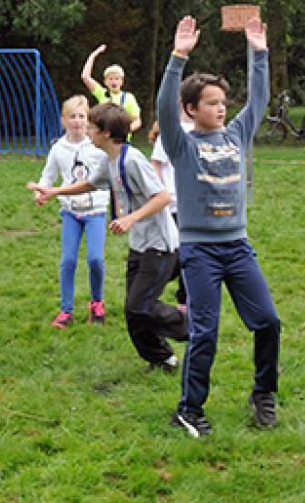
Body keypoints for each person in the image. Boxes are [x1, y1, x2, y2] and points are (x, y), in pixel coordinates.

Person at [157, 15, 281, 438]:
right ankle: (189, 408)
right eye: (211, 102)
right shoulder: (181, 144)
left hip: (238, 247)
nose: (221, 107)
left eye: (222, 101)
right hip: (200, 251)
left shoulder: (236, 135)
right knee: (205, 332)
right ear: (191, 109)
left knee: (268, 322)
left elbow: (259, 100)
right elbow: (163, 110)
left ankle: (264, 393)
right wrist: (178, 57)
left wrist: (259, 52)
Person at [30, 103, 188, 368]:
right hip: (140, 244)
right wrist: (54, 192)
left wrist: (129, 218)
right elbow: (90, 184)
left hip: (160, 244)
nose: (87, 131)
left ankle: (195, 328)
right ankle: (163, 359)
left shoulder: (133, 159)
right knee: (133, 311)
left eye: (91, 126)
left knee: (141, 307)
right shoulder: (108, 159)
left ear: (106, 132)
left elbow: (162, 197)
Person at [30, 95, 110, 329]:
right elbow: (48, 175)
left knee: (95, 259)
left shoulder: (97, 147)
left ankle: (97, 302)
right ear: (64, 120)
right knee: (68, 261)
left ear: (89, 120)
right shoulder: (58, 148)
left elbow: (110, 174)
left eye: (82, 116)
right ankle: (66, 310)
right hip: (70, 213)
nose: (77, 121)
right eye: (72, 117)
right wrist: (41, 191)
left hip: (95, 211)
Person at [147, 110, 196, 312]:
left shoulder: (206, 130)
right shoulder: (171, 132)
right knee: (175, 254)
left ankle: (184, 302)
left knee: (191, 254)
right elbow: (156, 164)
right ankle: (148, 288)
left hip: (197, 206)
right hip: (174, 204)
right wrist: (161, 195)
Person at [81, 44, 142, 137]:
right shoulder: (102, 93)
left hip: (121, 142)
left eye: (117, 79)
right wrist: (94, 54)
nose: (114, 82)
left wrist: (124, 130)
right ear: (105, 81)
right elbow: (85, 76)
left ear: (122, 81)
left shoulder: (129, 98)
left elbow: (137, 121)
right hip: (103, 140)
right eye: (110, 79)